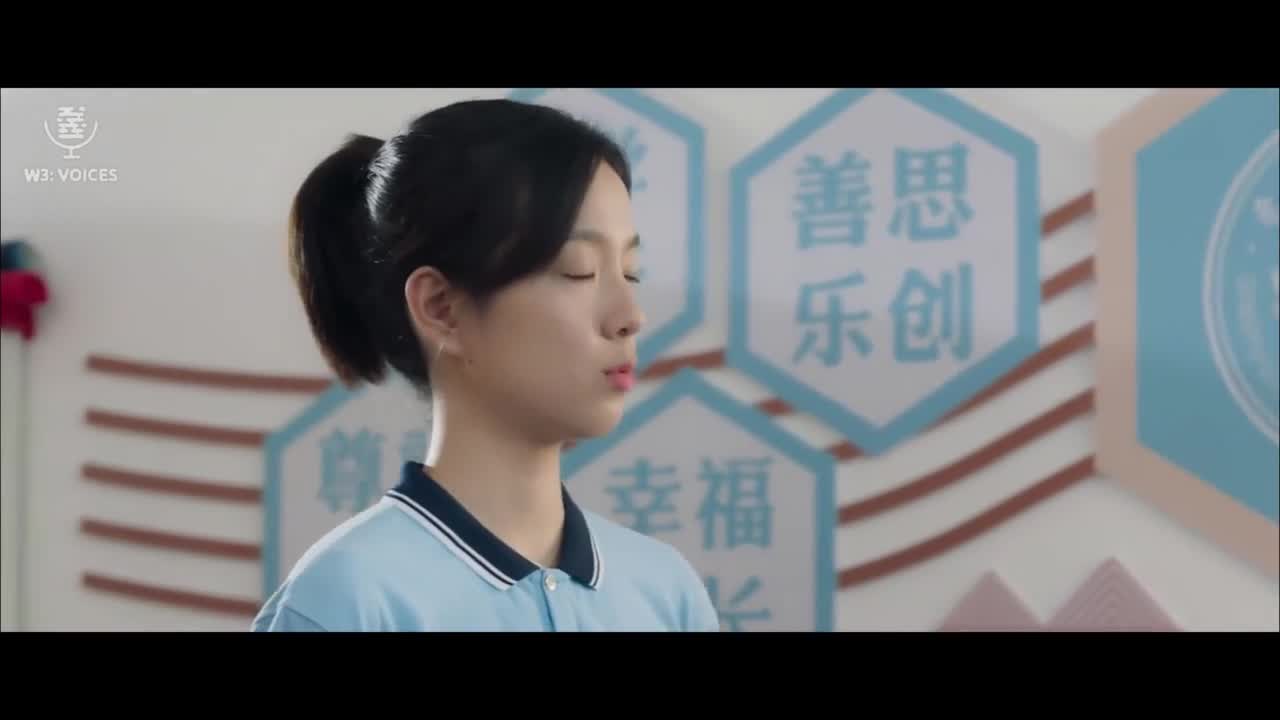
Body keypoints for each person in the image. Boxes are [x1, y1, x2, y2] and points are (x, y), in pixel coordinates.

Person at [251, 98, 721, 632]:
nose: (630, 317)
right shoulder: (348, 600)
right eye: (579, 270)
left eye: (631, 273)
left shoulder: (665, 591)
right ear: (441, 308)